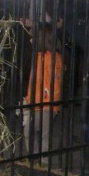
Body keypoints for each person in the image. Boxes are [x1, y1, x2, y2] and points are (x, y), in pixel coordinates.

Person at [23, 23, 63, 165]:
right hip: (36, 103)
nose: (30, 40)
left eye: (33, 37)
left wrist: (50, 103)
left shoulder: (51, 59)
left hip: (45, 105)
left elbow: (54, 84)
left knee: (40, 135)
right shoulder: (40, 56)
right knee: (31, 133)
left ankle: (42, 164)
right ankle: (36, 161)